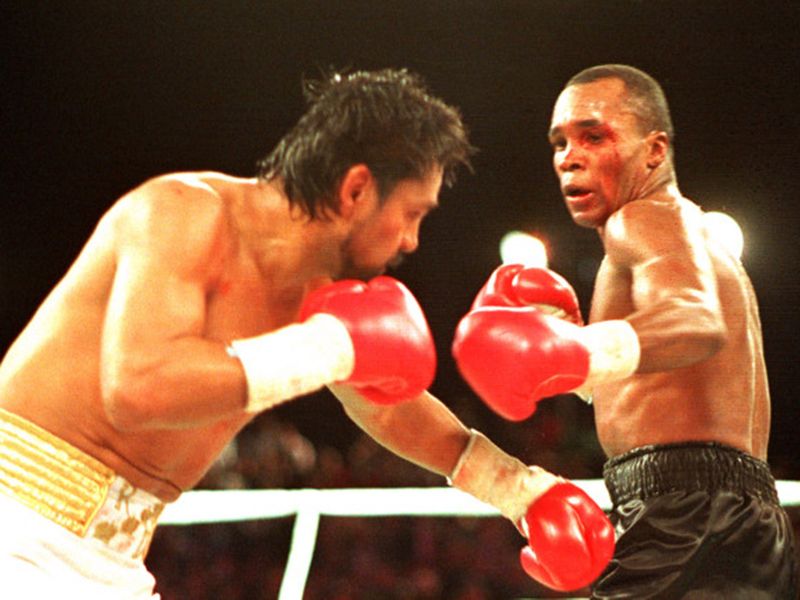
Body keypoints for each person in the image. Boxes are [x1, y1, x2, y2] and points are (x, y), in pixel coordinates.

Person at [0, 68, 613, 598]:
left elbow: (389, 408)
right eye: (411, 214)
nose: (410, 242)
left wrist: (518, 489)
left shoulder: (319, 298)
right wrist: (328, 349)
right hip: (16, 525)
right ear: (355, 190)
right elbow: (136, 389)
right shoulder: (182, 213)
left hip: (109, 559)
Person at [452, 63, 798, 598]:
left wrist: (569, 348)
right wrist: (568, 352)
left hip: (684, 515)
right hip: (746, 517)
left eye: (594, 136)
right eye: (560, 141)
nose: (569, 156)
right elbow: (663, 381)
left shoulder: (641, 219)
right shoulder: (693, 238)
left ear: (655, 151)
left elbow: (693, 321)